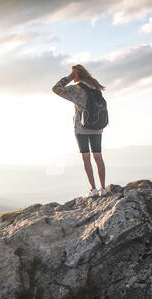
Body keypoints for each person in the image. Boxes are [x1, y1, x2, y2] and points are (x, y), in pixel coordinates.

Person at [52, 64, 107, 198]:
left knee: (86, 157)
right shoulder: (96, 86)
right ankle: (103, 188)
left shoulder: (77, 89)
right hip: (97, 127)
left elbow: (56, 89)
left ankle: (93, 189)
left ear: (76, 74)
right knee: (98, 156)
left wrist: (69, 77)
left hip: (81, 128)